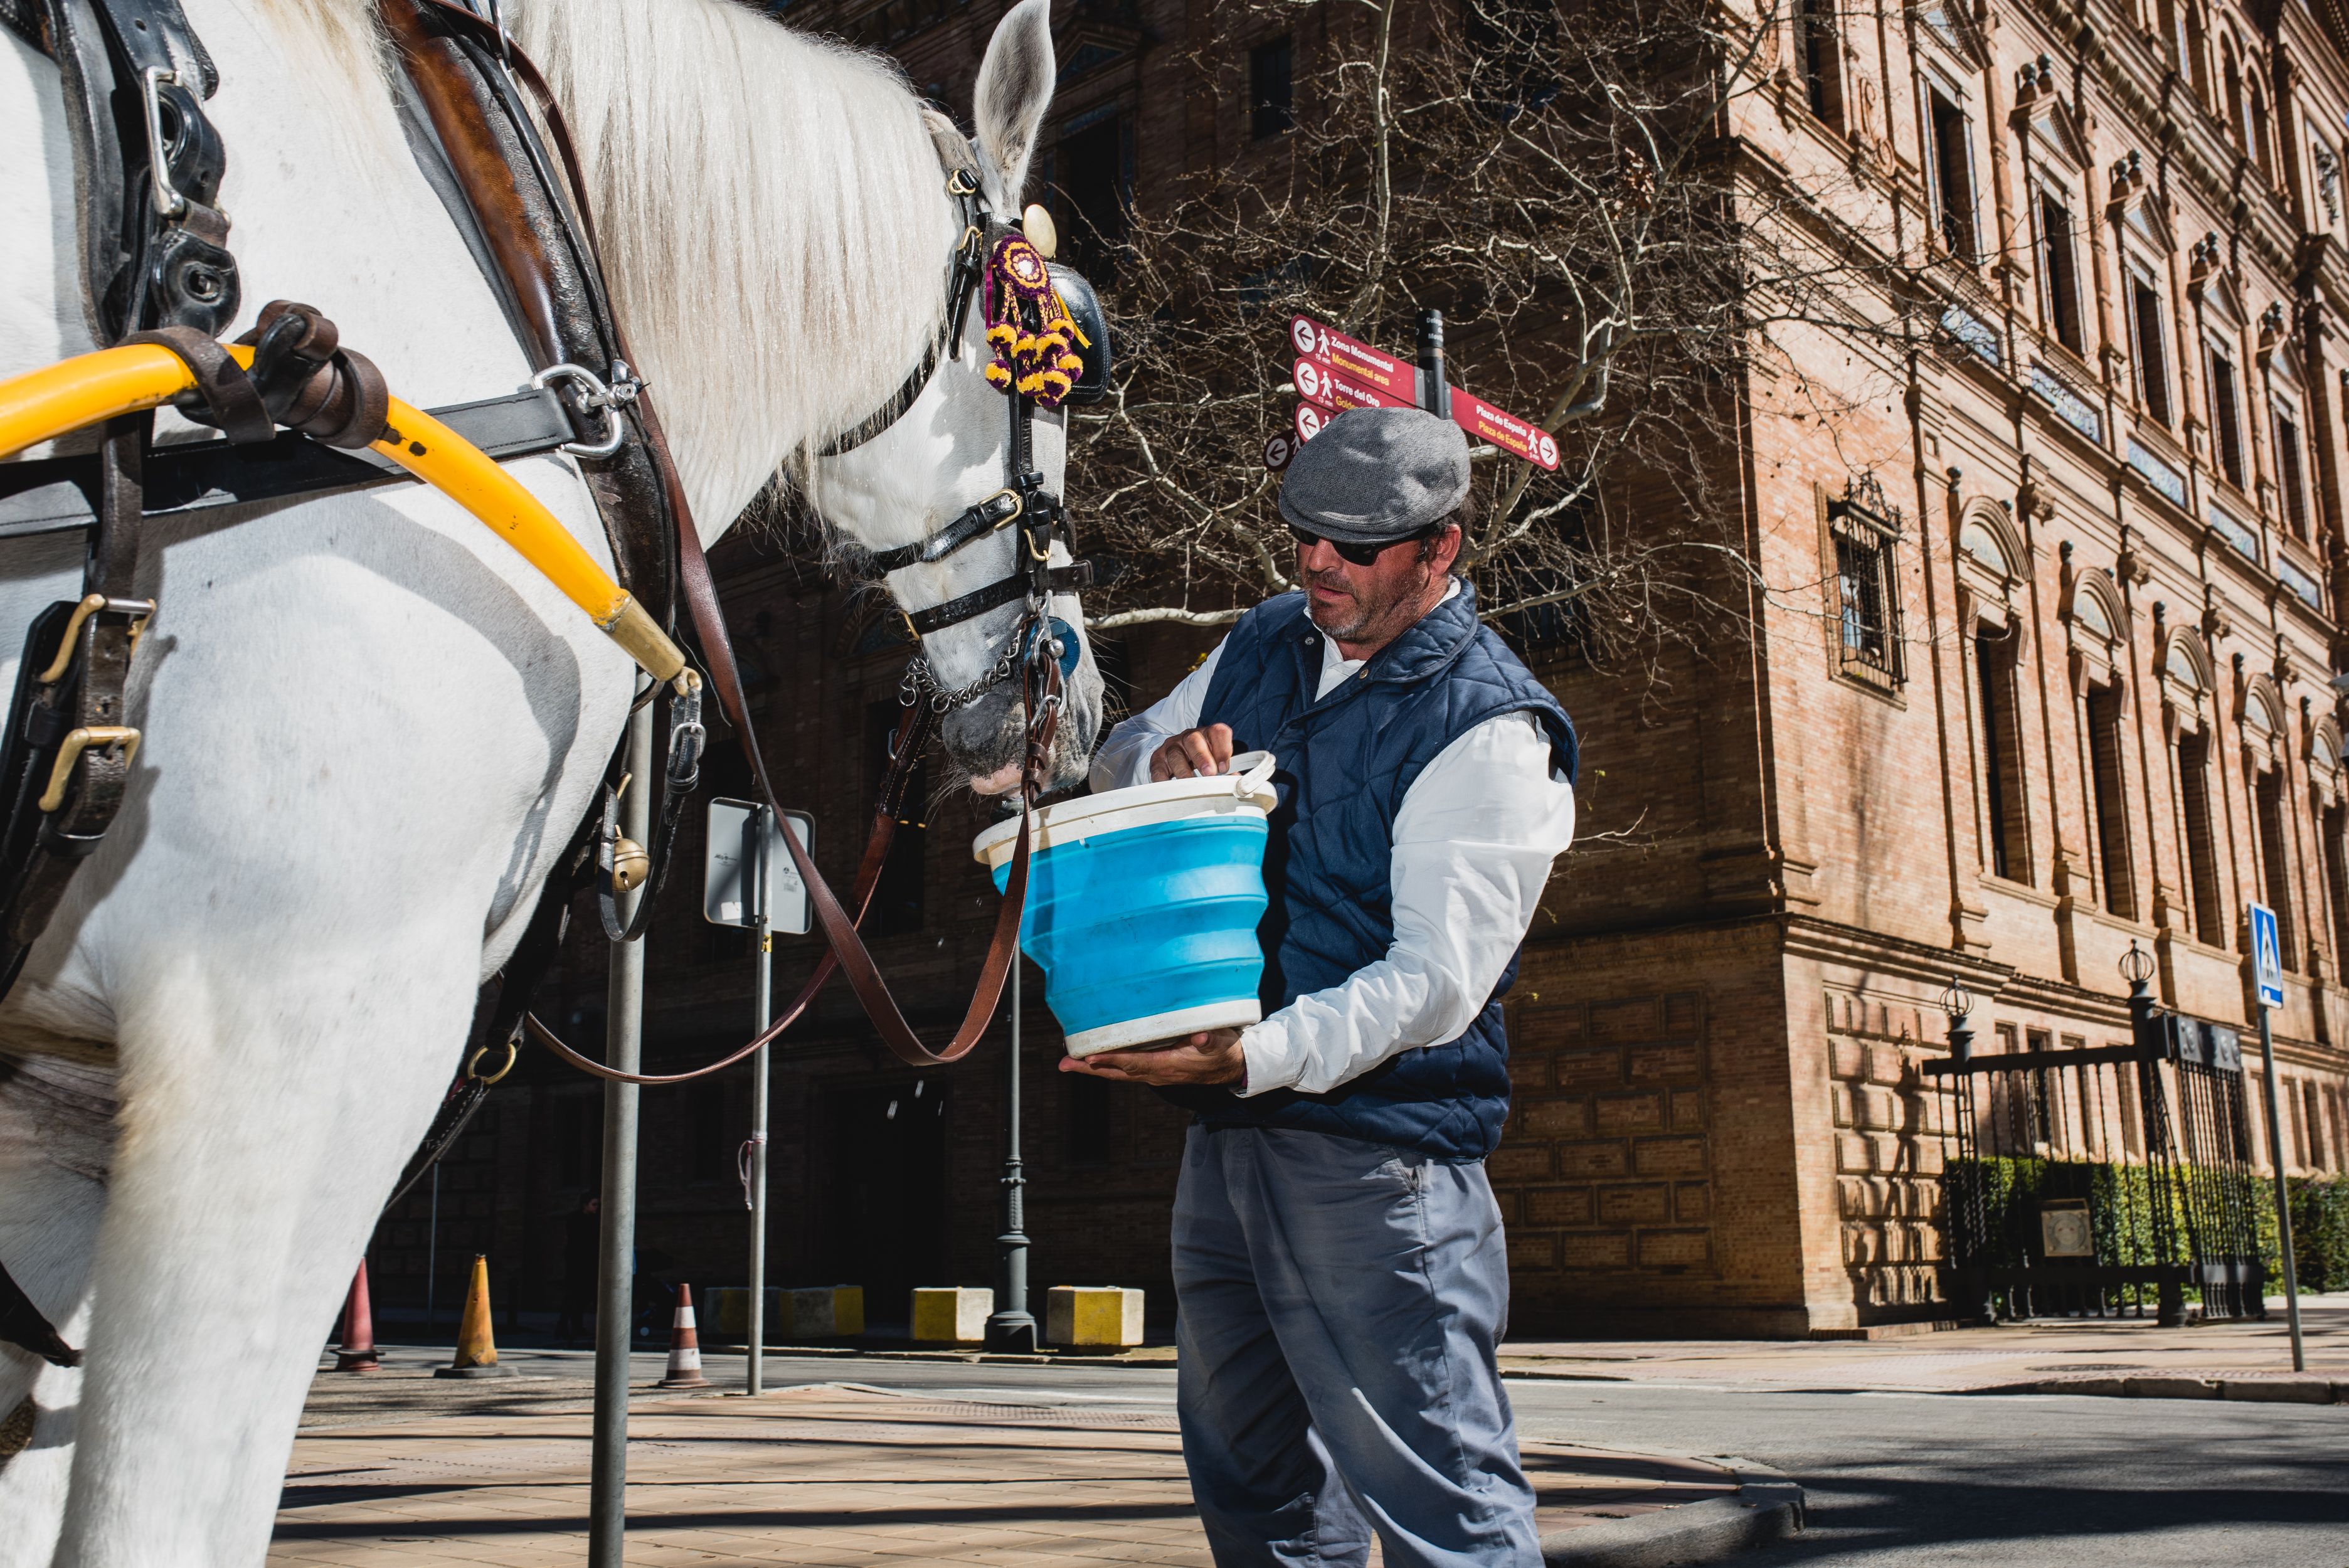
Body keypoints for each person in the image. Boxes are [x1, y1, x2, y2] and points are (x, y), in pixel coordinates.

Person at [1066, 405, 1578, 1568]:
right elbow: (1122, 748)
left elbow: (1435, 983)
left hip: (1379, 1162)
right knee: (1251, 1483)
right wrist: (1158, 758)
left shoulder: (1490, 726)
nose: (1315, 564)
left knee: (1443, 1501)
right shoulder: (1265, 637)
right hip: (1228, 1140)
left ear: (1439, 550)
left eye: (1353, 546)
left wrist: (1251, 1056)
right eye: (1300, 534)